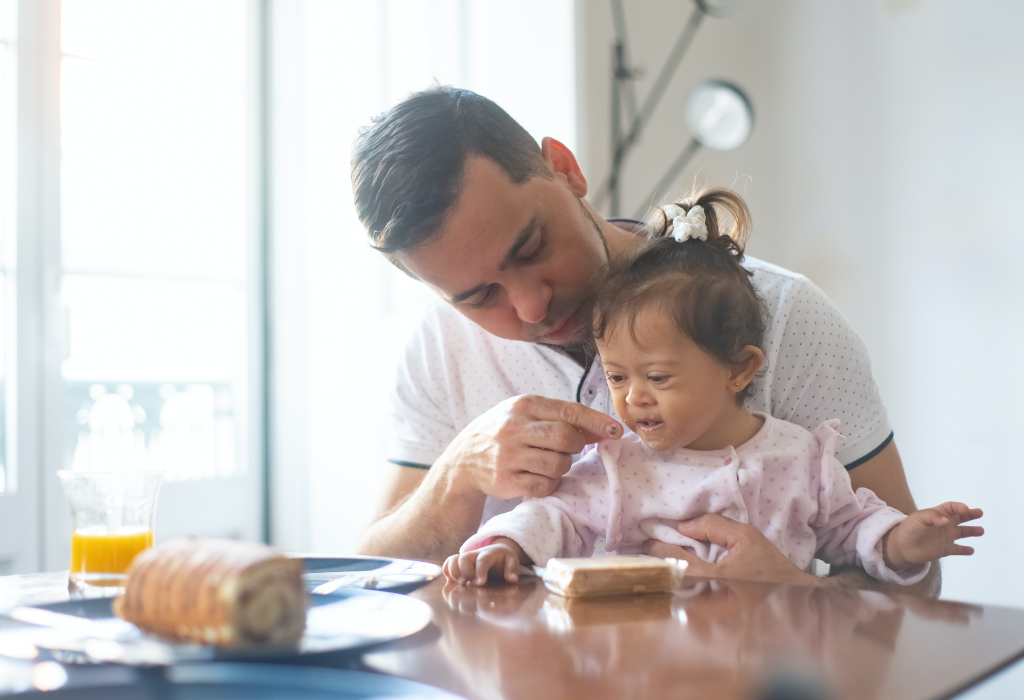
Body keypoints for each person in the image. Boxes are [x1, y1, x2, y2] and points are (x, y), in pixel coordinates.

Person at [351, 85, 939, 594]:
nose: (532, 306)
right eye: (479, 298)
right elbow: (373, 580)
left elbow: (919, 580)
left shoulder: (786, 317)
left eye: (531, 247)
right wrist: (458, 471)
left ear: (565, 167)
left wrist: (798, 592)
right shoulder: (438, 347)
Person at [442, 188, 983, 587]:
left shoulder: (801, 459)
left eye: (657, 377)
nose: (632, 398)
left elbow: (855, 530)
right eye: (616, 377)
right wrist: (502, 543)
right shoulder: (617, 464)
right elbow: (552, 516)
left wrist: (903, 543)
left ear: (739, 370)